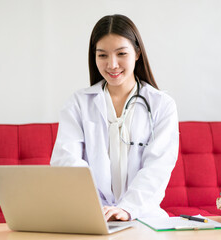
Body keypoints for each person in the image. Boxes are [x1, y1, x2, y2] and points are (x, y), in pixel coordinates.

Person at [50, 14, 179, 221]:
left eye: (121, 53)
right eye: (102, 55)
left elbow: (158, 166)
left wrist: (127, 209)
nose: (112, 64)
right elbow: (66, 160)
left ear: (137, 53)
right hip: (91, 215)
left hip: (142, 215)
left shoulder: (162, 105)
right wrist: (94, 208)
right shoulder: (78, 103)